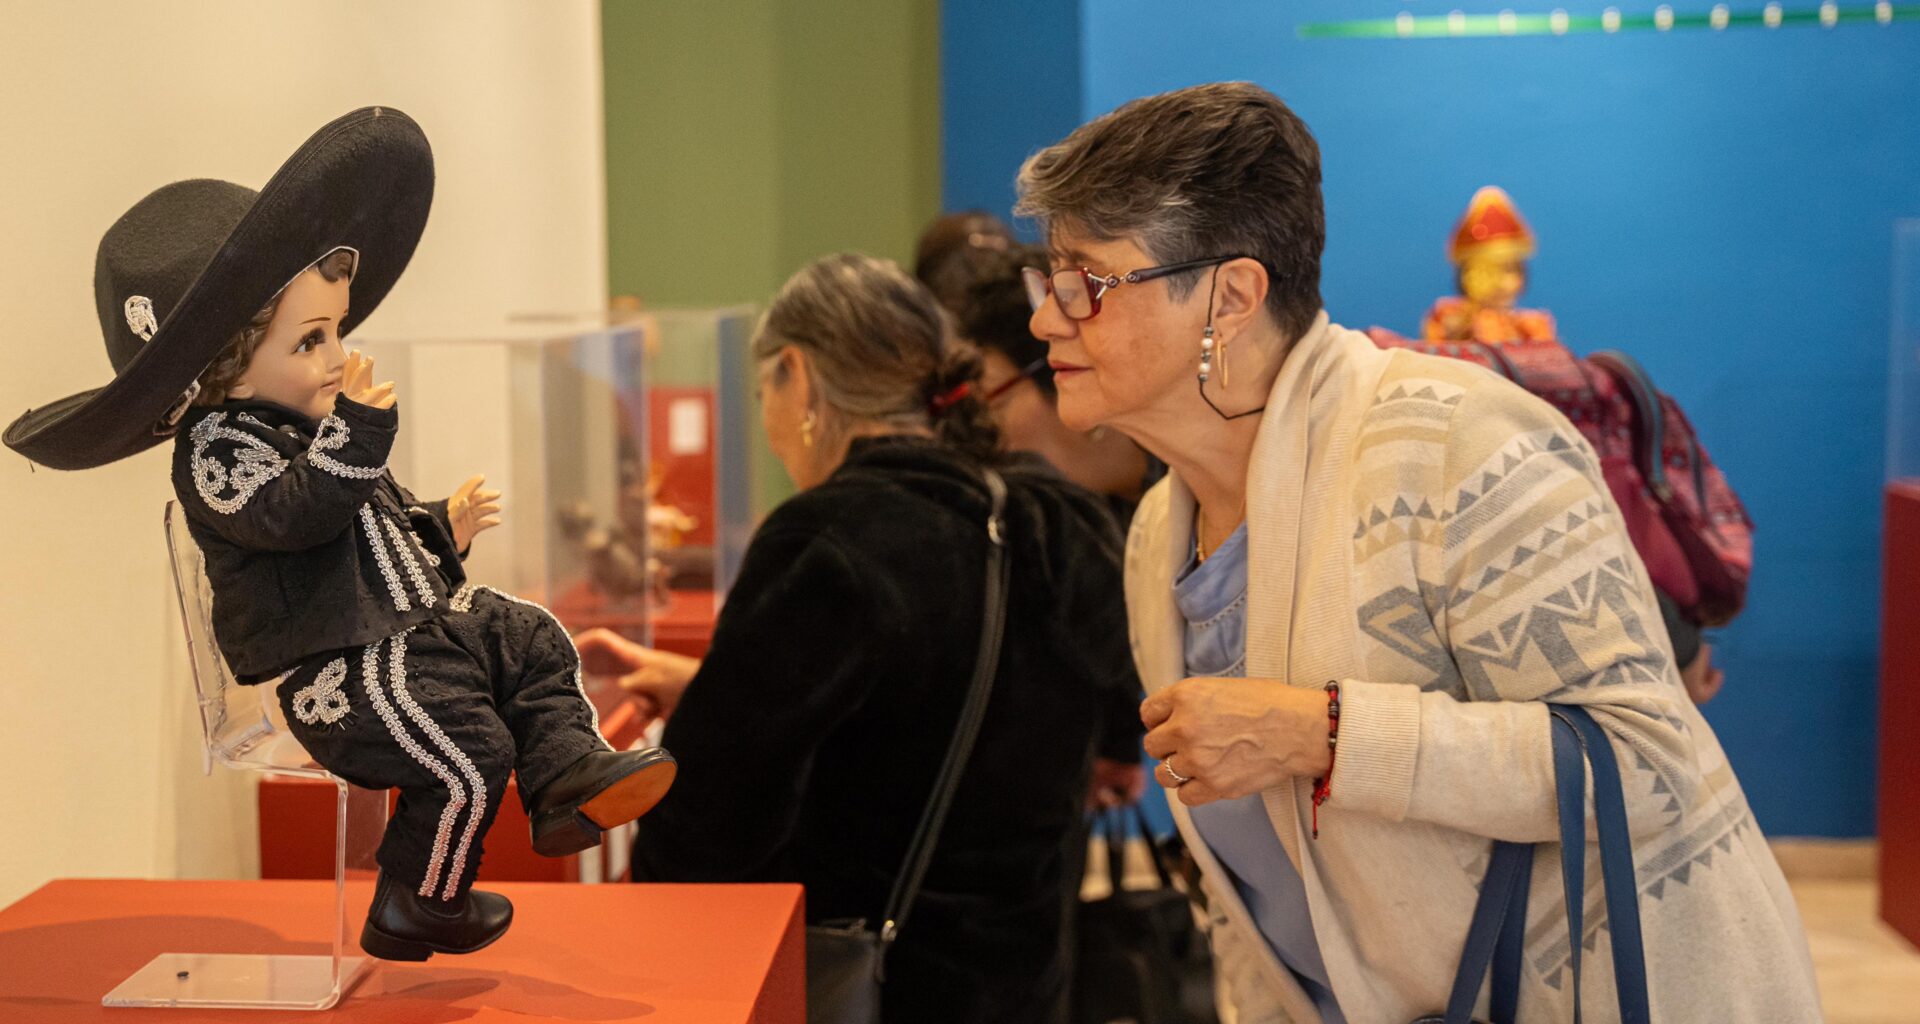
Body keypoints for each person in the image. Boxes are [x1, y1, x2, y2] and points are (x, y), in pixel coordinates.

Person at [1014, 82, 1821, 1022]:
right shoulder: (1160, 534)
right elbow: (1262, 910)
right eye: (1049, 281)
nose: (1044, 319)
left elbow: (1645, 763)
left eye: (1087, 284)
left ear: (1231, 297)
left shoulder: (1461, 445)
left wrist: (1316, 732)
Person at [2, 108, 676, 962]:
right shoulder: (220, 451)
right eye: (311, 339)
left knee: (528, 634)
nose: (335, 358)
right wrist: (357, 431)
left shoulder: (305, 431)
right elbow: (300, 514)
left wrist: (440, 525)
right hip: (335, 668)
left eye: (337, 334)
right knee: (468, 749)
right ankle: (418, 901)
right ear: (224, 364)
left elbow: (370, 528)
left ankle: (564, 775)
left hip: (396, 634)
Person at [574, 253, 1141, 1023]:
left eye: (763, 387)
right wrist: (716, 684)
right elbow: (953, 707)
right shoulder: (1053, 518)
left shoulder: (827, 538)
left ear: (799, 378)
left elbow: (712, 821)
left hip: (874, 985)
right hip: (1022, 977)